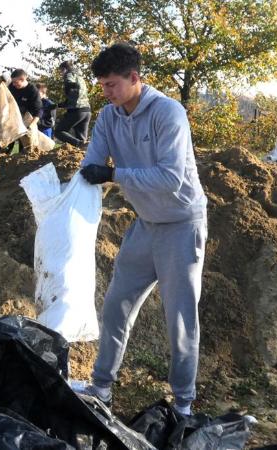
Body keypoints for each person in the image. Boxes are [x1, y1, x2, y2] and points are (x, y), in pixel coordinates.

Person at [73, 43, 208, 418]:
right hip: (146, 224)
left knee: (179, 317)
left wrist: (114, 175)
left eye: (112, 84)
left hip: (181, 224)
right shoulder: (109, 116)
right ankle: (101, 386)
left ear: (134, 78)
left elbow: (169, 177)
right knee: (116, 304)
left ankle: (183, 404)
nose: (106, 92)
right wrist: (70, 191)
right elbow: (93, 163)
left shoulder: (168, 113)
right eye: (101, 85)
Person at [54, 60, 91, 149]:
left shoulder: (69, 74)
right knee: (82, 139)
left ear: (65, 69)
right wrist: (59, 105)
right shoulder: (81, 77)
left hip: (76, 110)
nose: (61, 74)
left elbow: (69, 82)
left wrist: (70, 84)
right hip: (87, 111)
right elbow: (75, 96)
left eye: (61, 71)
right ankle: (84, 154)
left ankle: (78, 144)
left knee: (59, 131)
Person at [4, 69, 41, 154]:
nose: (13, 84)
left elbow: (38, 111)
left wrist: (31, 125)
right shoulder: (12, 87)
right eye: (12, 82)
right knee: (7, 145)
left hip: (26, 120)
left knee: (25, 148)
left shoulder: (32, 90)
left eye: (16, 82)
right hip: (12, 120)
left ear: (23, 79)